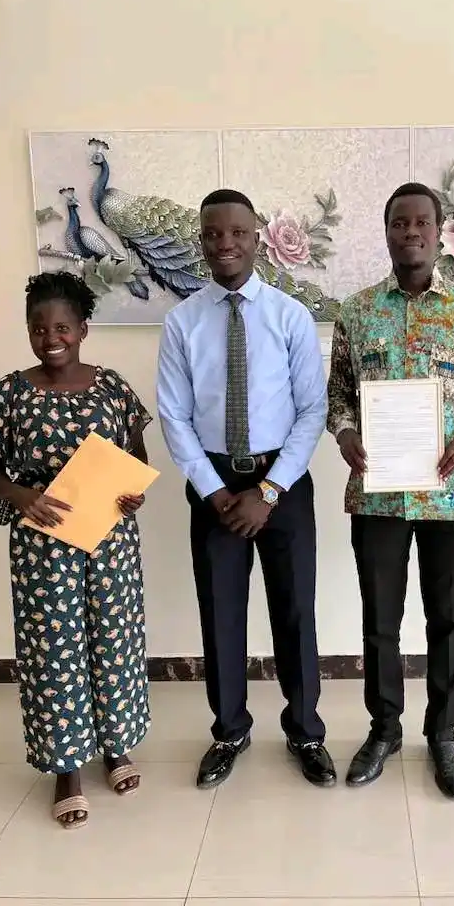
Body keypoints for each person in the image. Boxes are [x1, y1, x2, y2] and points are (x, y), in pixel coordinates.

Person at [327, 182, 454, 798]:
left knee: (447, 619)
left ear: (438, 231)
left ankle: (443, 734)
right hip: (378, 493)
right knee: (380, 621)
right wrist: (347, 435)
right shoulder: (355, 313)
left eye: (422, 223)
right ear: (386, 233)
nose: (411, 232)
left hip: (449, 493)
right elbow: (337, 398)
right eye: (399, 223)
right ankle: (383, 730)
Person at [156, 188, 335, 789]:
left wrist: (270, 491)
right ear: (201, 240)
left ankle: (305, 730)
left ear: (257, 235)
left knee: (295, 611)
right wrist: (213, 491)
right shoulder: (182, 321)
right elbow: (173, 415)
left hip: (281, 483)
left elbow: (313, 409)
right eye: (212, 233)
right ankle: (229, 729)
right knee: (221, 615)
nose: (224, 243)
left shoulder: (289, 315)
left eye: (236, 231)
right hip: (214, 485)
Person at [0, 271, 152, 829]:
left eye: (62, 327)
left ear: (83, 329)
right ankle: (66, 769)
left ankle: (116, 746)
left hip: (110, 541)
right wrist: (22, 494)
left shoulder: (114, 388)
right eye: (38, 328)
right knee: (55, 653)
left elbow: (137, 455)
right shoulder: (8, 393)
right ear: (28, 331)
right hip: (41, 545)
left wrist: (131, 495)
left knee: (114, 642)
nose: (51, 337)